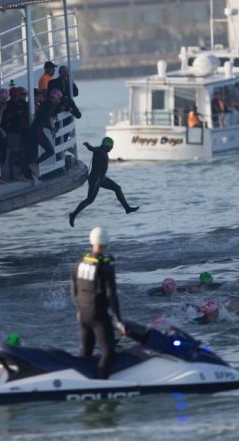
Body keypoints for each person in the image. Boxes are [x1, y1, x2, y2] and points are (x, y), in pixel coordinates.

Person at [70, 226, 123, 380]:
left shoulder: (80, 262)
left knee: (85, 352)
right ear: (106, 243)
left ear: (91, 242)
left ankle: (80, 381)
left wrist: (80, 308)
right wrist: (118, 320)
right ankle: (101, 384)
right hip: (98, 315)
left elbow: (73, 288)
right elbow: (111, 295)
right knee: (109, 352)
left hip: (83, 314)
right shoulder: (105, 266)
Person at [68, 137, 138, 227]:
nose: (112, 148)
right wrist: (88, 145)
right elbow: (93, 149)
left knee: (117, 188)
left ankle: (127, 208)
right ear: (106, 146)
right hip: (95, 179)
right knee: (89, 200)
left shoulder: (103, 151)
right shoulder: (100, 151)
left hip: (102, 178)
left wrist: (89, 146)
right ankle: (73, 215)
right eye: (111, 146)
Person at [22, 88, 61, 179]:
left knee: (31, 154)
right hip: (37, 131)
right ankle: (34, 164)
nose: (59, 101)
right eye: (59, 98)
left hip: (33, 130)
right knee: (50, 151)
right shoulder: (50, 105)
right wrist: (52, 128)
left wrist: (51, 127)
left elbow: (42, 119)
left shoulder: (45, 103)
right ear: (55, 97)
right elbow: (46, 119)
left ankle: (23, 174)